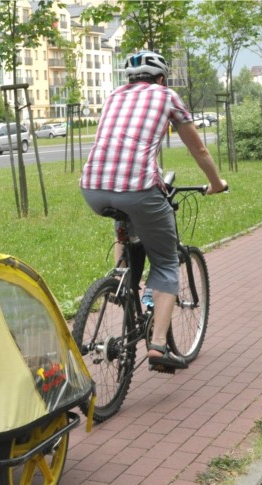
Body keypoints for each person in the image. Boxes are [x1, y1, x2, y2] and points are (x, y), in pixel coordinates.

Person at [80, 50, 227, 372]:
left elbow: (120, 146)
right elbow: (198, 148)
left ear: (129, 79)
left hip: (92, 187)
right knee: (165, 264)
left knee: (126, 218)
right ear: (161, 78)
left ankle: (121, 276)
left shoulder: (113, 96)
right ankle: (159, 345)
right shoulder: (168, 96)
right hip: (138, 190)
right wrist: (215, 182)